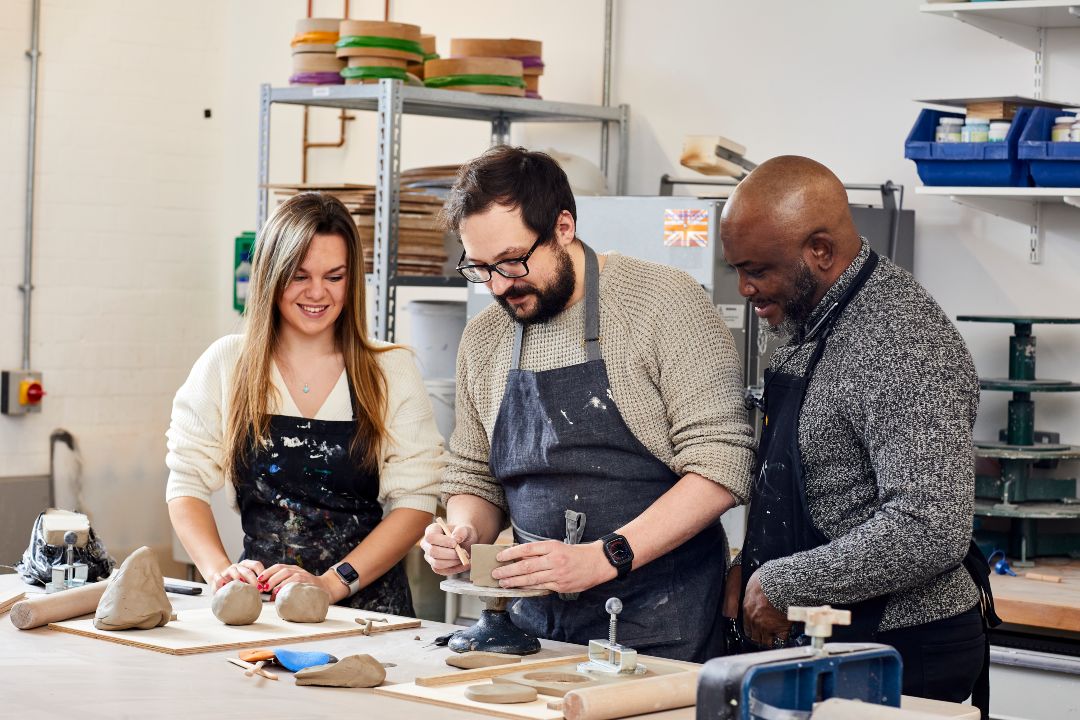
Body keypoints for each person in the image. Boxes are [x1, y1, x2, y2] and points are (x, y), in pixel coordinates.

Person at [421, 146, 755, 662]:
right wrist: (463, 530)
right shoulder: (484, 338)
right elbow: (473, 476)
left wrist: (605, 556)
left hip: (661, 621)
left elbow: (723, 463)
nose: (499, 285)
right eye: (481, 268)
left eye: (512, 261)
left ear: (563, 227)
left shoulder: (663, 302)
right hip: (535, 627)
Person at [719, 155, 998, 714]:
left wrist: (781, 582)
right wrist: (748, 564)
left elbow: (928, 528)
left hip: (899, 651)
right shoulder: (815, 317)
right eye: (737, 272)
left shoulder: (903, 342)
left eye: (759, 269)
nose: (746, 288)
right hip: (829, 641)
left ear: (820, 251)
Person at [166, 192, 444, 615]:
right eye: (300, 276)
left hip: (366, 612)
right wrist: (221, 573)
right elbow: (186, 484)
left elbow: (416, 503)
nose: (318, 293)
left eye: (335, 276)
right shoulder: (228, 365)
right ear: (271, 277)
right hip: (263, 609)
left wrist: (332, 584)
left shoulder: (389, 370)